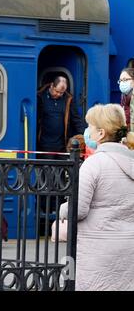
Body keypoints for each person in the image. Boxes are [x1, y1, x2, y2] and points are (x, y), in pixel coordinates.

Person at [60, 103, 134, 291]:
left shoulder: (94, 164)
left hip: (98, 251)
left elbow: (79, 209)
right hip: (128, 249)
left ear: (101, 133)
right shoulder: (131, 162)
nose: (87, 131)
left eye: (90, 126)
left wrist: (63, 209)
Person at [37, 76, 86, 159]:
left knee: (62, 170)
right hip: (45, 145)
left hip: (62, 145)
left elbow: (76, 119)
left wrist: (84, 135)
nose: (59, 94)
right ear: (52, 85)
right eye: (57, 91)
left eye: (62, 93)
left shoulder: (68, 99)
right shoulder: (40, 96)